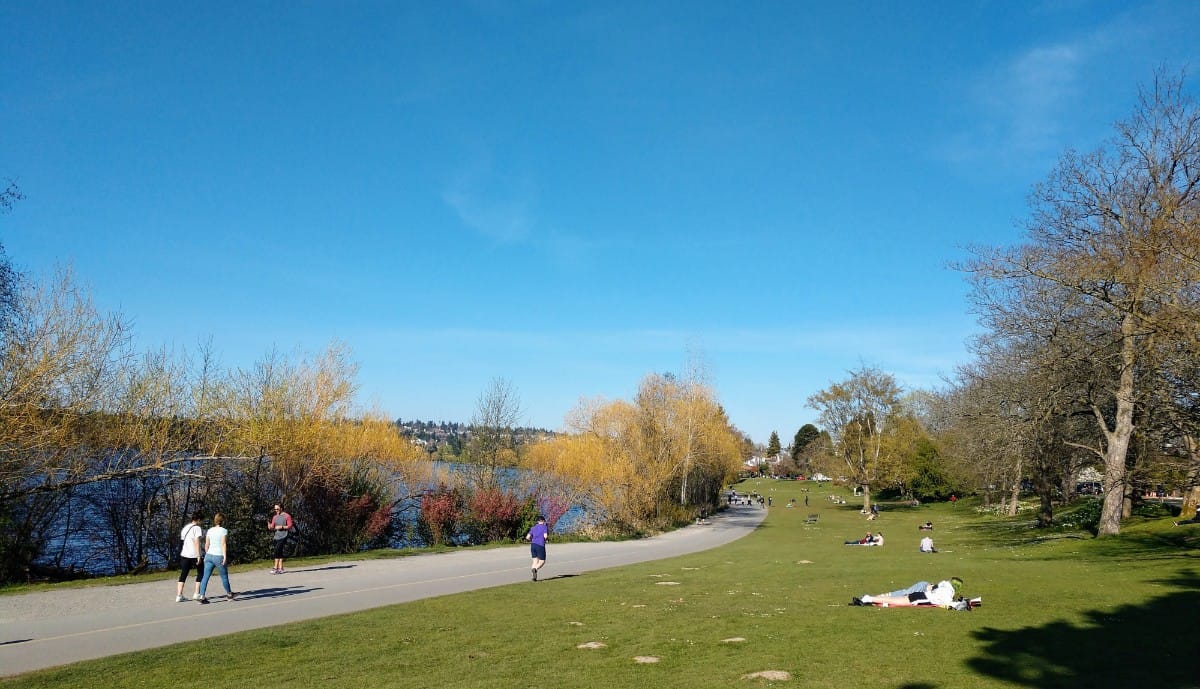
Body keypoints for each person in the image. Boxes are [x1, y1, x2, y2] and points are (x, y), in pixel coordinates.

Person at [851, 577, 978, 610]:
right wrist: (966, 603)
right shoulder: (949, 595)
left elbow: (936, 587)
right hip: (919, 598)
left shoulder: (945, 584)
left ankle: (868, 602)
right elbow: (949, 605)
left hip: (920, 596)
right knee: (894, 602)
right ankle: (868, 598)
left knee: (893, 604)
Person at [198, 513, 236, 604]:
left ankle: (201, 596)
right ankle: (229, 594)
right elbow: (223, 544)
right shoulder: (223, 531)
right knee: (224, 576)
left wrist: (207, 554)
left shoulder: (210, 530)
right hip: (219, 556)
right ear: (223, 521)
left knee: (205, 577)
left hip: (209, 555)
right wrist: (225, 556)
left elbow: (206, 545)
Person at [175, 511, 204, 602]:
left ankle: (179, 595)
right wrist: (199, 555)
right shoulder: (197, 528)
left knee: (183, 574)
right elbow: (197, 542)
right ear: (198, 519)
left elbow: (183, 540)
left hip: (184, 554)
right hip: (194, 554)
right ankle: (196, 593)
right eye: (201, 520)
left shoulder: (185, 528)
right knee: (200, 573)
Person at [267, 503, 294, 574]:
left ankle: (275, 568)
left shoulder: (287, 516)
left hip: (284, 535)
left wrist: (281, 527)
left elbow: (290, 526)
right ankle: (281, 568)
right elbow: (273, 526)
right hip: (277, 536)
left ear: (281, 508)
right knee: (279, 551)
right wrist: (270, 526)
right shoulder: (275, 517)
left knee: (277, 550)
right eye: (275, 509)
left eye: (277, 509)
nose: (276, 510)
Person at [525, 515, 549, 582]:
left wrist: (531, 540)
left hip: (533, 545)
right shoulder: (544, 527)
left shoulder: (533, 528)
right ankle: (535, 569)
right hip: (540, 545)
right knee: (542, 561)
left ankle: (534, 577)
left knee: (535, 561)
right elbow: (545, 536)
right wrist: (546, 539)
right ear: (543, 521)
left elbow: (527, 537)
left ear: (537, 521)